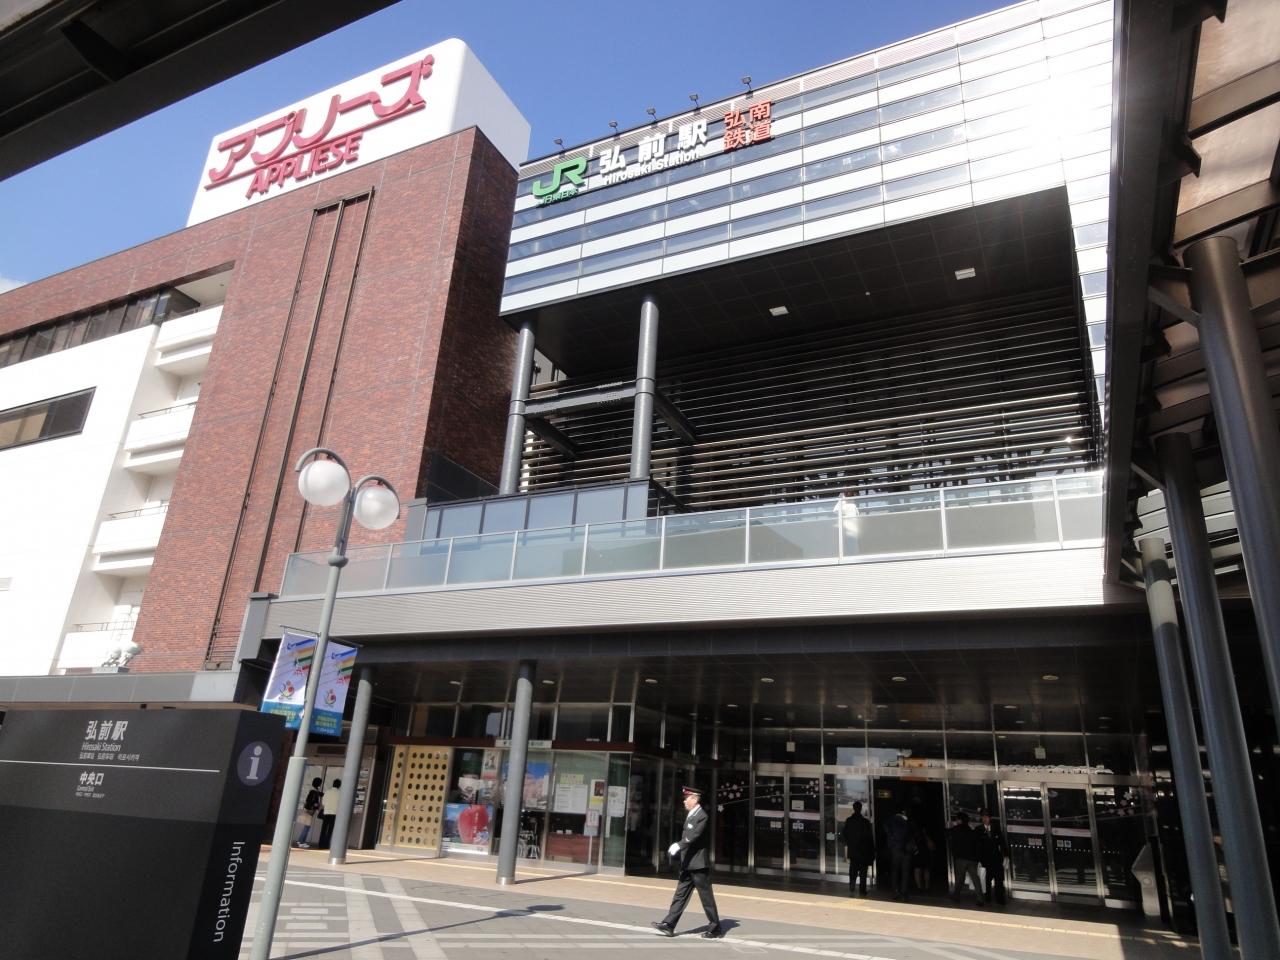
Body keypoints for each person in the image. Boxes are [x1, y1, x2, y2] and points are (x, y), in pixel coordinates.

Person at [653, 786, 724, 939]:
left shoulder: (702, 815)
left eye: (687, 798)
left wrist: (679, 845)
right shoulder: (692, 814)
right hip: (688, 863)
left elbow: (694, 835)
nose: (684, 801)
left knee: (706, 897)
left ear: (694, 799)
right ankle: (669, 924)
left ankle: (715, 928)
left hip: (698, 864)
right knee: (680, 895)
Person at [948, 812, 984, 907]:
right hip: (973, 859)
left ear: (960, 820)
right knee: (975, 878)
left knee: (960, 878)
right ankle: (980, 898)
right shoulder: (971, 830)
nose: (956, 821)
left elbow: (947, 833)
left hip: (961, 858)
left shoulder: (956, 829)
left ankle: (956, 896)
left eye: (957, 819)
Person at [841, 801, 876, 896]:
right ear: (860, 809)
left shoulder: (849, 821)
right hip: (864, 850)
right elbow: (869, 838)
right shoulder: (865, 822)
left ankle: (852, 882)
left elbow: (844, 834)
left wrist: (849, 843)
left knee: (853, 867)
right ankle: (862, 889)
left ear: (854, 808)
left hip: (853, 849)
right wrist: (872, 850)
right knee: (863, 870)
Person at [884, 807, 915, 901]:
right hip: (906, 849)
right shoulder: (909, 820)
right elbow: (914, 833)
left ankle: (895, 892)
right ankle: (904, 893)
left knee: (895, 871)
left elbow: (886, 830)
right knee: (905, 872)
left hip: (895, 849)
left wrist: (891, 843)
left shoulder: (891, 820)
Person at [978, 808, 1007, 906]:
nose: (985, 819)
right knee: (987, 880)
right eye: (983, 817)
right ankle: (988, 898)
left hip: (996, 858)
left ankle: (1000, 899)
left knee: (999, 880)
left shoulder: (995, 828)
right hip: (985, 859)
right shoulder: (979, 830)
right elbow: (976, 845)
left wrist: (1006, 854)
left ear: (990, 818)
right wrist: (978, 859)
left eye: (987, 817)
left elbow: (1002, 842)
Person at [294, 777, 323, 848]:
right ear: (318, 783)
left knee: (307, 826)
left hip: (309, 810)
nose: (320, 784)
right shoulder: (313, 791)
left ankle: (301, 841)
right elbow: (311, 801)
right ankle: (301, 842)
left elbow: (319, 795)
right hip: (310, 811)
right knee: (307, 826)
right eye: (320, 783)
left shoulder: (314, 790)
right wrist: (316, 806)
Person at [319, 777, 342, 848]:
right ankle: (326, 844)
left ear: (333, 784)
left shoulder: (327, 792)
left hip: (326, 812)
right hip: (334, 813)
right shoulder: (340, 793)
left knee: (324, 828)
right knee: (330, 829)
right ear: (339, 785)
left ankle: (320, 844)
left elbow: (323, 803)